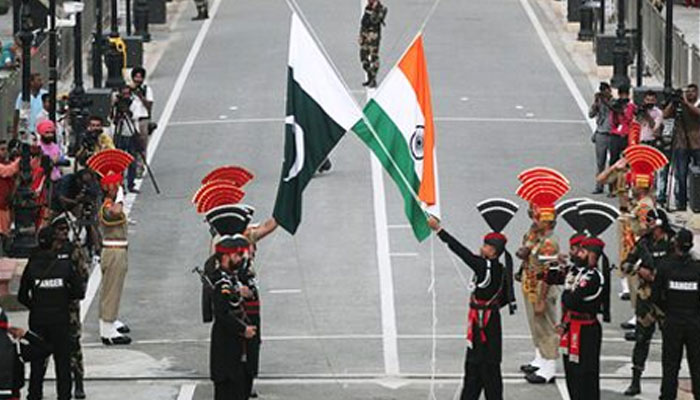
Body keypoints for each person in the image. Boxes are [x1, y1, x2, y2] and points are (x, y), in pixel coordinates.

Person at [427, 200, 517, 400]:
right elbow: (502, 299)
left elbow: (461, 251)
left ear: (493, 251)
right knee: (480, 366)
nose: (482, 247)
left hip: (483, 324)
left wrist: (439, 230)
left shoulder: (484, 267)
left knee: (484, 367)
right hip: (490, 320)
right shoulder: (500, 270)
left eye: (485, 245)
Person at [515, 167, 570, 384]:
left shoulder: (549, 243)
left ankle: (549, 367)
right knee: (535, 324)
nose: (533, 218)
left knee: (546, 325)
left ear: (547, 220)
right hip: (531, 284)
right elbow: (523, 253)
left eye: (538, 216)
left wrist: (540, 299)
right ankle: (539, 358)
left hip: (542, 288)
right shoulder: (536, 235)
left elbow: (549, 274)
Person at [17, 226, 85, 400]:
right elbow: (79, 291)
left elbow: (22, 295)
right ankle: (64, 395)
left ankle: (34, 394)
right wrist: (63, 299)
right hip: (60, 320)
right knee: (62, 362)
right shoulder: (64, 265)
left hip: (38, 321)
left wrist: (36, 306)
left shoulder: (32, 265)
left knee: (37, 363)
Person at [621, 208, 672, 396]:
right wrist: (638, 268)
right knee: (641, 340)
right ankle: (635, 381)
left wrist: (659, 275)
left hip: (667, 299)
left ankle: (668, 385)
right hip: (646, 299)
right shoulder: (643, 243)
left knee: (671, 343)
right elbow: (625, 264)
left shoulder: (672, 242)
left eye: (650, 221)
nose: (647, 225)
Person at [208, 234, 258, 400]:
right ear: (225, 257)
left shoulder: (232, 279)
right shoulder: (222, 283)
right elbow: (222, 314)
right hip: (227, 354)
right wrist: (243, 329)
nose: (240, 259)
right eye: (236, 255)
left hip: (237, 355)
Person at [653, 229, 700, 399]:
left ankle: (667, 396)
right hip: (694, 321)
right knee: (697, 365)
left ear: (676, 244)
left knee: (671, 366)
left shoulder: (665, 266)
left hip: (673, 320)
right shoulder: (697, 268)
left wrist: (667, 310)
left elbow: (655, 296)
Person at [51, 214, 89, 399]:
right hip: (50, 304)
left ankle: (79, 382)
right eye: (60, 230)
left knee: (73, 343)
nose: (64, 233)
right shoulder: (46, 250)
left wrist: (75, 291)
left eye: (66, 230)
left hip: (69, 305)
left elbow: (83, 274)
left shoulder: (73, 249)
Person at [664, 83, 700, 211]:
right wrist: (673, 102)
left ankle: (697, 201)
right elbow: (665, 115)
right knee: (681, 174)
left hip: (697, 144)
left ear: (697, 93)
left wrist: (685, 102)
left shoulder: (696, 104)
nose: (690, 94)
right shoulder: (680, 106)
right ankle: (682, 202)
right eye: (687, 91)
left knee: (698, 174)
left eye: (692, 92)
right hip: (681, 144)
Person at [112, 86, 139, 193]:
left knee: (132, 160)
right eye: (124, 94)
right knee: (119, 161)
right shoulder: (117, 105)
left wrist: (126, 110)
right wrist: (116, 108)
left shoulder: (134, 103)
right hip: (120, 134)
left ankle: (131, 184)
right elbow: (113, 120)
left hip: (131, 133)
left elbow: (135, 116)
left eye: (128, 94)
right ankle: (120, 185)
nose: (126, 96)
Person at [590, 82, 614, 194]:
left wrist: (606, 101)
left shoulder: (614, 102)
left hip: (613, 134)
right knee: (600, 162)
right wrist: (596, 103)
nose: (605, 92)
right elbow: (591, 114)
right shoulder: (598, 102)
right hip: (601, 133)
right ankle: (599, 186)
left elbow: (616, 110)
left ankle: (612, 187)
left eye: (606, 90)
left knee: (613, 163)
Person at [130, 67, 154, 177]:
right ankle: (132, 168)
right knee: (131, 145)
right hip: (131, 120)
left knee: (142, 146)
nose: (138, 79)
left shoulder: (146, 90)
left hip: (143, 120)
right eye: (136, 77)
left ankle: (140, 167)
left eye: (140, 77)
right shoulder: (128, 90)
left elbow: (149, 106)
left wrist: (141, 96)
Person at [359, 0, 388, 88]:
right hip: (365, 36)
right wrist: (361, 35)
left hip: (373, 37)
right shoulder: (368, 7)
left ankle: (373, 79)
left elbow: (374, 20)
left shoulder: (381, 9)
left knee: (373, 57)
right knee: (363, 56)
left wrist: (375, 9)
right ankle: (369, 76)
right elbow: (364, 22)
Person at [13, 73, 47, 141]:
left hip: (42, 131)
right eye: (38, 80)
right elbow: (17, 113)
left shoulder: (45, 94)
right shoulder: (23, 96)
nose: (41, 83)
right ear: (31, 82)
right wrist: (15, 131)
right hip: (28, 131)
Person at [610, 84, 637, 165]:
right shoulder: (615, 105)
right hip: (616, 134)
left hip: (627, 134)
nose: (624, 97)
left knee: (628, 159)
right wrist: (615, 111)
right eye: (622, 95)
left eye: (625, 95)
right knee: (614, 159)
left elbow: (629, 119)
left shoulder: (631, 106)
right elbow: (612, 122)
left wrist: (622, 112)